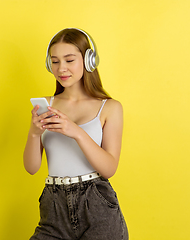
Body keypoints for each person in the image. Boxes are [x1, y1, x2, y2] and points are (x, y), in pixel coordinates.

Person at [23, 28, 128, 240]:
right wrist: (34, 134)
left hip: (96, 204)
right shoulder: (47, 105)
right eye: (55, 61)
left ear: (89, 60)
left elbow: (109, 169)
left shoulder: (109, 108)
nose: (61, 68)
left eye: (69, 60)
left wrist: (76, 132)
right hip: (53, 205)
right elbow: (32, 168)